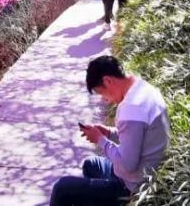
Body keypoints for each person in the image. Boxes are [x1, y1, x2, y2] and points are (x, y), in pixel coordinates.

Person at [49, 56, 170, 206]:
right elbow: (137, 137)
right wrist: (108, 133)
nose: (106, 100)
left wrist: (101, 140)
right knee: (91, 164)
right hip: (143, 171)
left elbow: (128, 165)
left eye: (102, 94)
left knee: (61, 188)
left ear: (107, 81)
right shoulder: (143, 89)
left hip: (132, 188)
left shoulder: (131, 108)